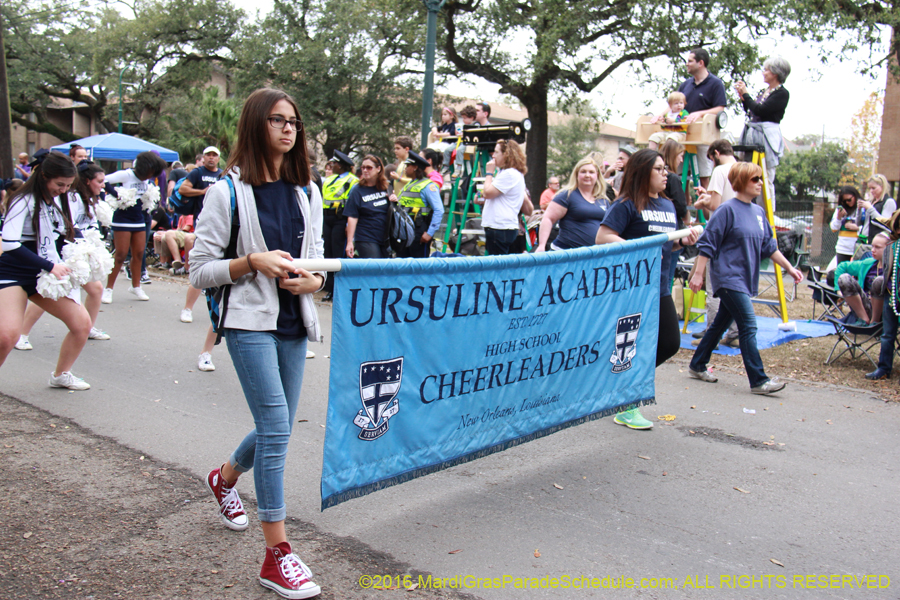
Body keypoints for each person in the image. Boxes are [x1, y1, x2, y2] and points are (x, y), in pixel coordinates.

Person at [190, 87, 324, 600]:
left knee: (279, 425)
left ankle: (224, 479)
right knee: (275, 429)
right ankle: (277, 555)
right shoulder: (227, 192)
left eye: (293, 121)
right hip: (247, 322)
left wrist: (313, 282)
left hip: (292, 320)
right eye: (276, 120)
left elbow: (316, 259)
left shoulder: (306, 191)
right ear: (255, 124)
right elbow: (199, 270)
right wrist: (251, 262)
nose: (288, 129)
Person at [596, 149, 698, 428]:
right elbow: (602, 236)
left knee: (670, 343)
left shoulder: (667, 205)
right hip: (630, 290)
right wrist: (636, 249)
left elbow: (668, 244)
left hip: (659, 287)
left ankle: (619, 385)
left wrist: (684, 241)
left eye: (666, 169)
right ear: (643, 171)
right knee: (629, 347)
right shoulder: (627, 204)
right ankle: (626, 403)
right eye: (659, 169)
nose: (666, 174)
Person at [687, 162, 803, 395]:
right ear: (741, 182)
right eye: (754, 179)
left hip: (744, 279)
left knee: (720, 324)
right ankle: (759, 380)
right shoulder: (726, 210)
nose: (760, 183)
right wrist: (698, 274)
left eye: (760, 178)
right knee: (748, 325)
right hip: (728, 278)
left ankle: (697, 364)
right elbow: (707, 244)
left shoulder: (759, 213)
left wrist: (790, 268)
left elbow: (769, 247)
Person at [0, 151, 93, 390]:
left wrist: (87, 248)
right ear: (44, 176)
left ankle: (61, 375)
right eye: (60, 184)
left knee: (82, 324)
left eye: (68, 185)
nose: (63, 190)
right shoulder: (22, 200)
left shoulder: (58, 200)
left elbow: (64, 230)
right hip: (14, 273)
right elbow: (9, 243)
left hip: (44, 273)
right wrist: (50, 266)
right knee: (7, 336)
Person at [15, 160, 111, 351]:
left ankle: (86, 327)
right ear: (87, 181)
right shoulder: (70, 197)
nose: (103, 185)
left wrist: (91, 247)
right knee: (50, 290)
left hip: (75, 249)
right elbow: (66, 226)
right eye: (99, 181)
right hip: (62, 251)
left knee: (95, 289)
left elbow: (82, 226)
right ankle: (22, 334)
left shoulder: (90, 199)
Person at [102, 151, 167, 303]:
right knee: (121, 254)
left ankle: (136, 286)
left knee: (139, 253)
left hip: (139, 218)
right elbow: (103, 180)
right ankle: (108, 289)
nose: (150, 176)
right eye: (150, 172)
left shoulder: (147, 180)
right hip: (123, 218)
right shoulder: (126, 175)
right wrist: (116, 195)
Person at [677, 48, 727, 188]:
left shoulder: (715, 84)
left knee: (704, 177)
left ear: (700, 63)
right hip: (684, 136)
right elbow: (673, 105)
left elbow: (720, 109)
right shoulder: (685, 85)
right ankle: (683, 203)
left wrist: (700, 113)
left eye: (690, 61)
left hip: (704, 138)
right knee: (681, 178)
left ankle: (708, 202)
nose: (686, 64)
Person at [536, 157, 609, 252]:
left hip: (593, 255)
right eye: (583, 172)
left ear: (597, 175)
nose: (587, 175)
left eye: (591, 172)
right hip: (566, 253)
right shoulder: (566, 195)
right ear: (576, 174)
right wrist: (541, 245)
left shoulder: (603, 200)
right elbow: (548, 218)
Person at [390, 151, 443, 258]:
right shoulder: (409, 184)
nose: (405, 168)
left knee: (419, 265)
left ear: (415, 168)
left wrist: (430, 233)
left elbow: (439, 210)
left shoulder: (428, 186)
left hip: (419, 230)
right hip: (406, 230)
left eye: (408, 166)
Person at [321, 150, 358, 301]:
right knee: (327, 253)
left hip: (340, 219)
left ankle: (339, 289)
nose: (332, 166)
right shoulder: (329, 180)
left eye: (334, 163)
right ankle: (329, 287)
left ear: (341, 165)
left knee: (338, 253)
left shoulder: (352, 180)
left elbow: (352, 204)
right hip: (327, 218)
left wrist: (348, 224)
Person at [480, 139, 527, 256]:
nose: (493, 155)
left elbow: (487, 193)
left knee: (497, 264)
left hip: (499, 227)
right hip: (503, 227)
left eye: (496, 152)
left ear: (506, 154)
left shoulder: (509, 174)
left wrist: (489, 173)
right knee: (504, 262)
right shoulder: (510, 173)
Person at [834, 232, 888, 326]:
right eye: (872, 246)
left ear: (889, 248)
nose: (873, 250)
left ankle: (874, 323)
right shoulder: (867, 264)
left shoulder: (895, 267)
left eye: (878, 247)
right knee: (844, 278)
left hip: (885, 310)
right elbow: (842, 266)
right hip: (865, 306)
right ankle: (863, 320)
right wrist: (839, 291)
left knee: (879, 281)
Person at [344, 155, 390, 259]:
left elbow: (393, 212)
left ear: (378, 169)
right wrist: (350, 242)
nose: (365, 170)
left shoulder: (386, 187)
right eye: (363, 167)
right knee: (374, 266)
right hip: (366, 237)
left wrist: (394, 201)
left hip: (385, 237)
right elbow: (352, 217)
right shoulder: (357, 190)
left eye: (369, 168)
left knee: (385, 267)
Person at [858, 174, 896, 244]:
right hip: (863, 240)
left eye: (873, 188)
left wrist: (870, 209)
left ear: (882, 186)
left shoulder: (889, 201)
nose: (871, 191)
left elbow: (886, 224)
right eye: (869, 188)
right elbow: (858, 223)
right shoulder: (871, 202)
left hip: (877, 243)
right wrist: (859, 210)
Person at [830, 186, 862, 264]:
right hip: (843, 249)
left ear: (855, 196)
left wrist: (857, 228)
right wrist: (838, 218)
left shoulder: (863, 208)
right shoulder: (841, 210)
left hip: (858, 248)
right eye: (844, 201)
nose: (847, 202)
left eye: (849, 200)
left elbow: (869, 227)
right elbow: (833, 228)